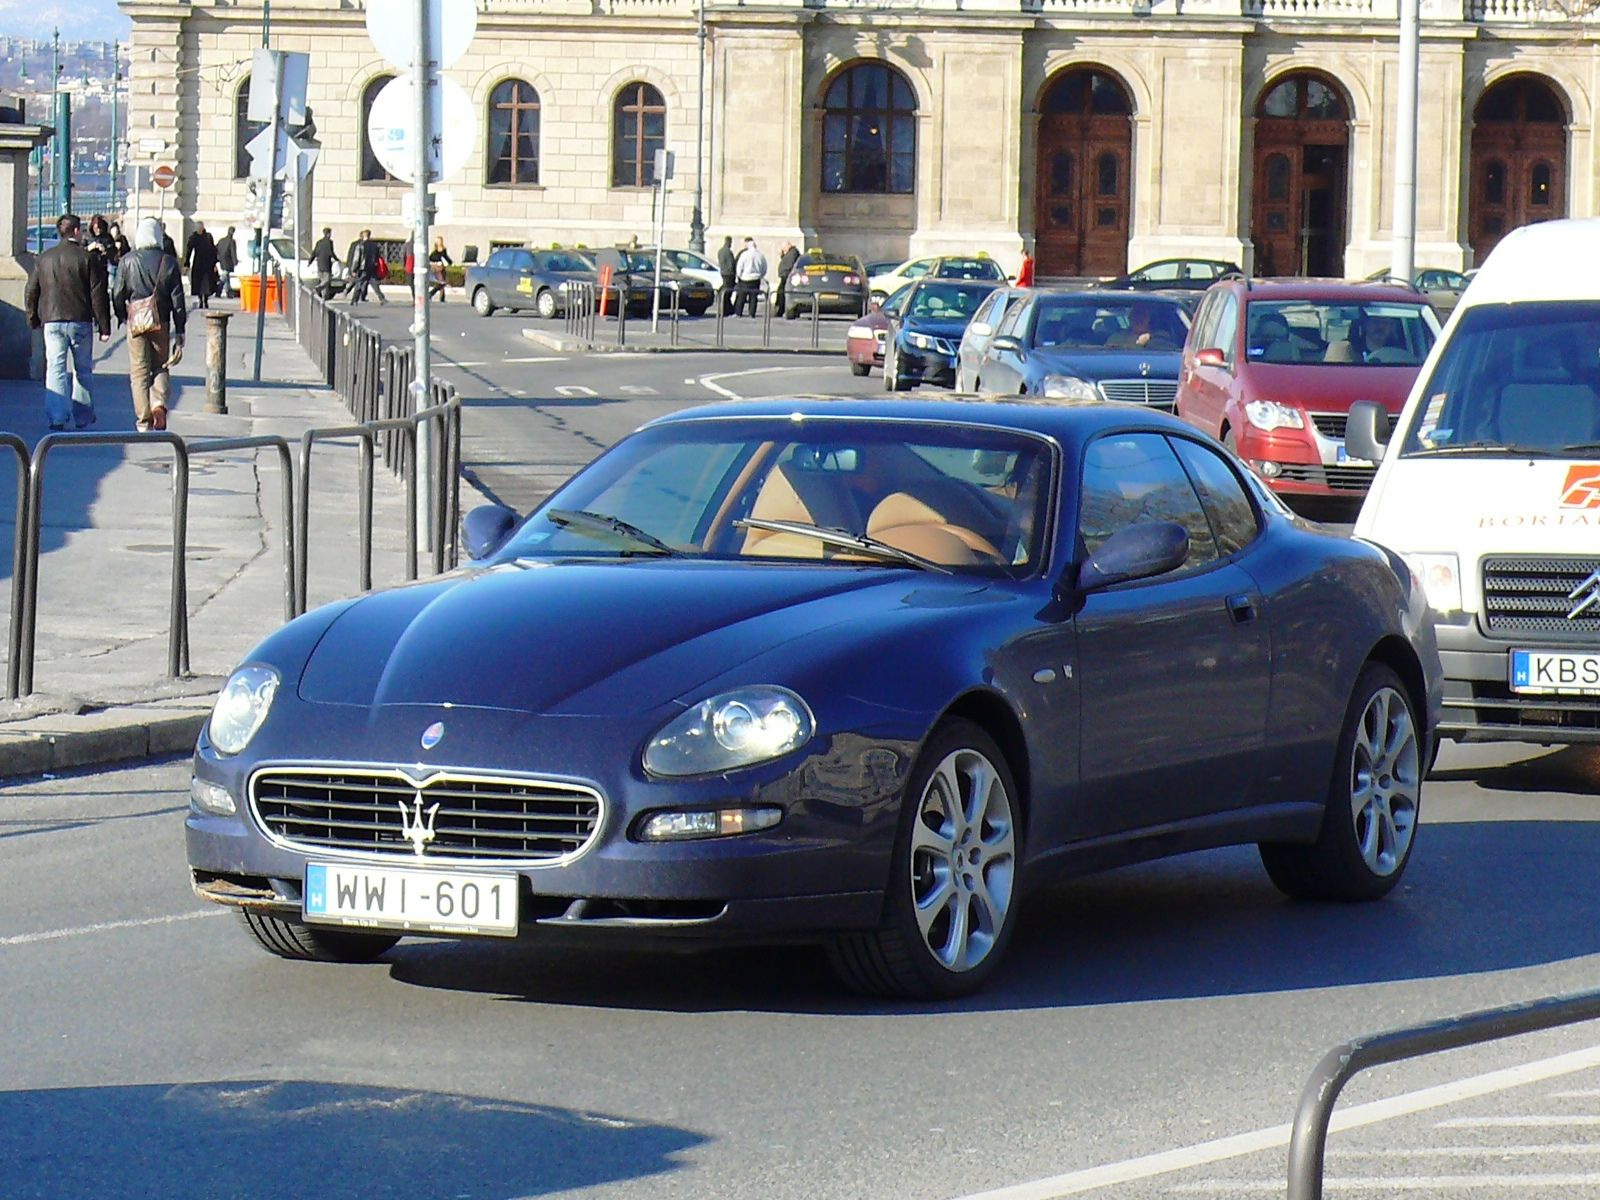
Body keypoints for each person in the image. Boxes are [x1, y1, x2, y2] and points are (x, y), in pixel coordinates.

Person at [24, 213, 111, 431]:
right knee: (83, 369)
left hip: (52, 320)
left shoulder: (44, 258)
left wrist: (32, 316)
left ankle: (57, 417)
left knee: (55, 368)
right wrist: (104, 325)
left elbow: (31, 290)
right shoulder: (86, 258)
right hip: (80, 319)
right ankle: (82, 416)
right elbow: (97, 294)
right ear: (75, 231)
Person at [111, 217, 186, 433]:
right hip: (160, 320)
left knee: (138, 371)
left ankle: (143, 420)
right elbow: (178, 301)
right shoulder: (168, 262)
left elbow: (117, 293)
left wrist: (122, 315)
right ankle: (159, 405)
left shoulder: (127, 260)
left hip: (136, 320)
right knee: (160, 365)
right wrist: (180, 330)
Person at [345, 229, 387, 305]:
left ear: (363, 236)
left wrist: (354, 269)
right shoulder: (375, 245)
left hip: (362, 268)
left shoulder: (360, 245)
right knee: (374, 284)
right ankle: (382, 298)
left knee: (359, 283)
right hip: (372, 268)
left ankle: (354, 300)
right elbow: (378, 257)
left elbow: (356, 259)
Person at [183, 221, 218, 310]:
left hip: (208, 264)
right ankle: (200, 300)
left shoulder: (208, 236)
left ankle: (205, 300)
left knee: (207, 284)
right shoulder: (193, 237)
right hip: (198, 263)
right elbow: (189, 251)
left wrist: (214, 263)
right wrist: (186, 263)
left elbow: (213, 250)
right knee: (198, 283)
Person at [734, 237, 767, 318]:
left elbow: (739, 266)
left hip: (745, 278)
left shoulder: (744, 254)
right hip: (756, 279)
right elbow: (764, 268)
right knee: (753, 297)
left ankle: (739, 313)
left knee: (741, 297)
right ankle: (752, 313)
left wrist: (739, 275)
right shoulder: (761, 255)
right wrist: (760, 275)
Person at [310, 227, 337, 299]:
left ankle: (324, 298)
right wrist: (336, 259)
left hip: (319, 264)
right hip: (326, 264)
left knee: (323, 280)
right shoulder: (329, 242)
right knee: (327, 281)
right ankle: (318, 288)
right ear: (328, 234)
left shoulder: (319, 242)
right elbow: (330, 252)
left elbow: (314, 252)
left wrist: (310, 261)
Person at [775, 240, 800, 318]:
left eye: (784, 248)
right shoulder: (791, 253)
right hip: (785, 276)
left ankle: (781, 311)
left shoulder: (793, 253)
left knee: (782, 294)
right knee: (780, 293)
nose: (784, 250)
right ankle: (780, 310)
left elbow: (788, 265)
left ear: (788, 245)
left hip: (786, 277)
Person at [427, 236, 452, 302]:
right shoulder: (437, 250)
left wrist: (449, 262)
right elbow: (431, 258)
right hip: (438, 268)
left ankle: (441, 298)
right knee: (442, 283)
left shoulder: (441, 250)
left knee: (442, 282)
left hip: (440, 267)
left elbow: (445, 258)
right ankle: (431, 294)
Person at [216, 226, 238, 298]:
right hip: (228, 261)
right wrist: (235, 261)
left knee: (227, 276)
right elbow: (233, 252)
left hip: (221, 260)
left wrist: (217, 258)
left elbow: (216, 248)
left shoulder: (221, 240)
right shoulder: (232, 241)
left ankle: (228, 291)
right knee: (225, 275)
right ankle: (219, 289)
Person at [716, 234, 736, 315]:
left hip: (723, 272)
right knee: (728, 292)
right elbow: (731, 264)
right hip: (729, 274)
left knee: (726, 290)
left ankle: (728, 308)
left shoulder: (720, 251)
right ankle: (727, 309)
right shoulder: (728, 252)